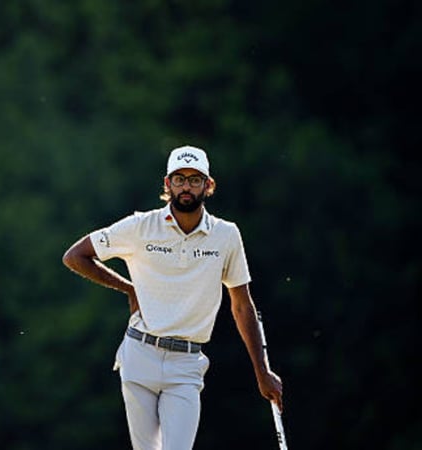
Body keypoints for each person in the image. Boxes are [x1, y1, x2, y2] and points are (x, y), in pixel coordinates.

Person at [62, 145, 283, 450]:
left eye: (194, 180)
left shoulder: (226, 235)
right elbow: (75, 256)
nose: (186, 187)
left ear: (208, 185)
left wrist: (262, 370)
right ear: (167, 184)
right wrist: (129, 288)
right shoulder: (140, 226)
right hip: (139, 354)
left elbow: (242, 305)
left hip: (186, 364)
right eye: (179, 179)